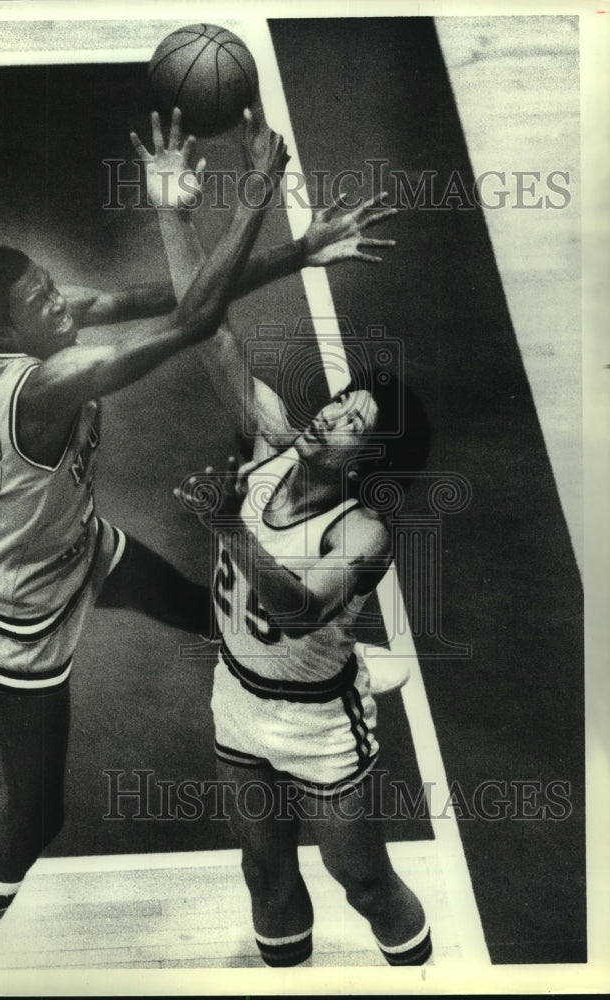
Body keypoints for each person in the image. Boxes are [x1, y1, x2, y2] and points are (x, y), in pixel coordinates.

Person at [0, 109, 288, 971]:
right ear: (6, 338)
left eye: (50, 284)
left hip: (76, 545)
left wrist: (303, 251)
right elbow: (192, 323)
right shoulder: (49, 381)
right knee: (36, 815)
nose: (63, 301)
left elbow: (169, 295)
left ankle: (317, 674)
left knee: (208, 614)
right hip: (21, 603)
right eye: (41, 300)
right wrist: (254, 193)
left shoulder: (30, 329)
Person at [135, 109, 432, 967]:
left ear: (368, 460)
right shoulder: (269, 442)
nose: (330, 415)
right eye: (338, 403)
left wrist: (229, 529)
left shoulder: (363, 531)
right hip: (239, 697)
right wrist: (173, 212)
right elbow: (204, 326)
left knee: (362, 882)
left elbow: (298, 608)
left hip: (318, 724)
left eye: (352, 422)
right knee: (262, 874)